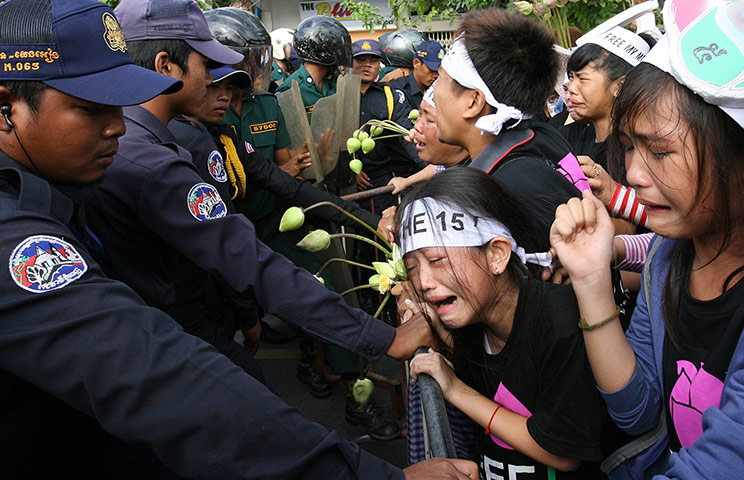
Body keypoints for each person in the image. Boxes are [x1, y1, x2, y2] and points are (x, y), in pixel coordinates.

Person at [0, 0, 480, 478]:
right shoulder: (123, 174)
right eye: (91, 108)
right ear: (7, 110)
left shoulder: (97, 161)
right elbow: (152, 363)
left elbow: (275, 184)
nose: (117, 126)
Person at [80, 0, 431, 385]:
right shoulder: (156, 158)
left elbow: (289, 186)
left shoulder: (200, 135)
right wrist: (382, 337)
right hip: (175, 320)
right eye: (208, 66)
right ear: (167, 66)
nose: (221, 86)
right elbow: (242, 255)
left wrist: (367, 221)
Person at [550, 1, 744, 477]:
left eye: (660, 151)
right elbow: (636, 411)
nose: (633, 174)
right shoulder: (668, 256)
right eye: (630, 148)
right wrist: (592, 280)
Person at [398, 168, 607, 478]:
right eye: (412, 267)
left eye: (437, 260)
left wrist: (455, 390)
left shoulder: (560, 321)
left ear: (496, 254)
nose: (424, 282)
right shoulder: (471, 324)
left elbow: (562, 455)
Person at [433, 8, 587, 250]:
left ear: (473, 101)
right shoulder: (541, 139)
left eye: (440, 78)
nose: (433, 94)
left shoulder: (507, 189)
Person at [351, 39, 425, 214]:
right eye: (361, 60)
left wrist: (430, 166)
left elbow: (406, 134)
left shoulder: (389, 96)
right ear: (351, 63)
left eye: (373, 60)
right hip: (345, 182)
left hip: (379, 181)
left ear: (379, 65)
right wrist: (350, 171)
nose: (367, 65)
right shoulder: (339, 95)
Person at [275, 15, 351, 121]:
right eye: (336, 46)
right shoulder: (289, 90)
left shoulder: (331, 85)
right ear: (322, 50)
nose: (341, 52)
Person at [388, 40, 444, 109]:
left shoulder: (437, 89)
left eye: (438, 71)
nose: (435, 75)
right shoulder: (399, 89)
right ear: (416, 63)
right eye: (431, 70)